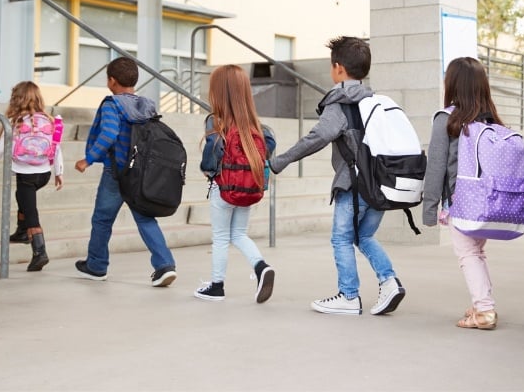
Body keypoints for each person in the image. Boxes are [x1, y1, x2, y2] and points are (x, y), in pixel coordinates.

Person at [268, 36, 406, 316]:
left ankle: (349, 295)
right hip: (382, 183)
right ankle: (389, 281)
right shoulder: (375, 100)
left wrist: (279, 161)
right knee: (364, 236)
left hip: (354, 184)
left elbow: (318, 136)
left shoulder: (341, 102)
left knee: (341, 238)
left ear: (338, 68)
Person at [73, 57, 177, 287]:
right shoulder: (147, 105)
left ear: (112, 81)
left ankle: (97, 266)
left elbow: (109, 133)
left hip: (116, 173)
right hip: (140, 173)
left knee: (102, 219)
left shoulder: (113, 105)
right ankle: (165, 265)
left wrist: (87, 159)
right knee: (145, 218)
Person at [422, 56, 508, 330]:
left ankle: (484, 310)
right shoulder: (492, 121)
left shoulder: (447, 119)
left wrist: (429, 208)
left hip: (462, 200)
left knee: (467, 254)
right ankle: (482, 302)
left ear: (452, 84)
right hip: (490, 200)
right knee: (476, 252)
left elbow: (435, 167)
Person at [194, 64, 275, 303]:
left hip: (224, 188)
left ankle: (216, 285)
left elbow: (211, 158)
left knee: (220, 237)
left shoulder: (215, 122)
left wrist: (207, 171)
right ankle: (261, 267)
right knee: (238, 233)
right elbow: (269, 148)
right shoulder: (258, 127)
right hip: (247, 188)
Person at [0, 81, 64, 271]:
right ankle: (22, 231)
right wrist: (59, 172)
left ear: (16, 100)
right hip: (44, 173)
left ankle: (40, 253)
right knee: (21, 197)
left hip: (26, 174)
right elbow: (57, 148)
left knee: (31, 213)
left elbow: (0, 147)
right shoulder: (49, 120)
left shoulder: (17, 122)